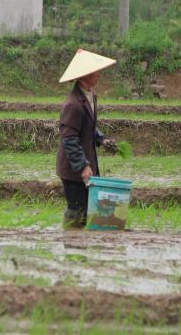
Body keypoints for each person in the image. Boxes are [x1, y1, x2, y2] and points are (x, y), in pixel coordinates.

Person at [56, 49, 117, 229]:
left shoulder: (88, 96)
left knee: (87, 210)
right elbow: (69, 139)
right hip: (74, 170)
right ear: (85, 76)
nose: (99, 74)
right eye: (95, 71)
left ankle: (81, 246)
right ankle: (72, 245)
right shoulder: (73, 104)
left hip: (86, 162)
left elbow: (87, 126)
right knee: (77, 210)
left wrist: (101, 139)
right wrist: (83, 166)